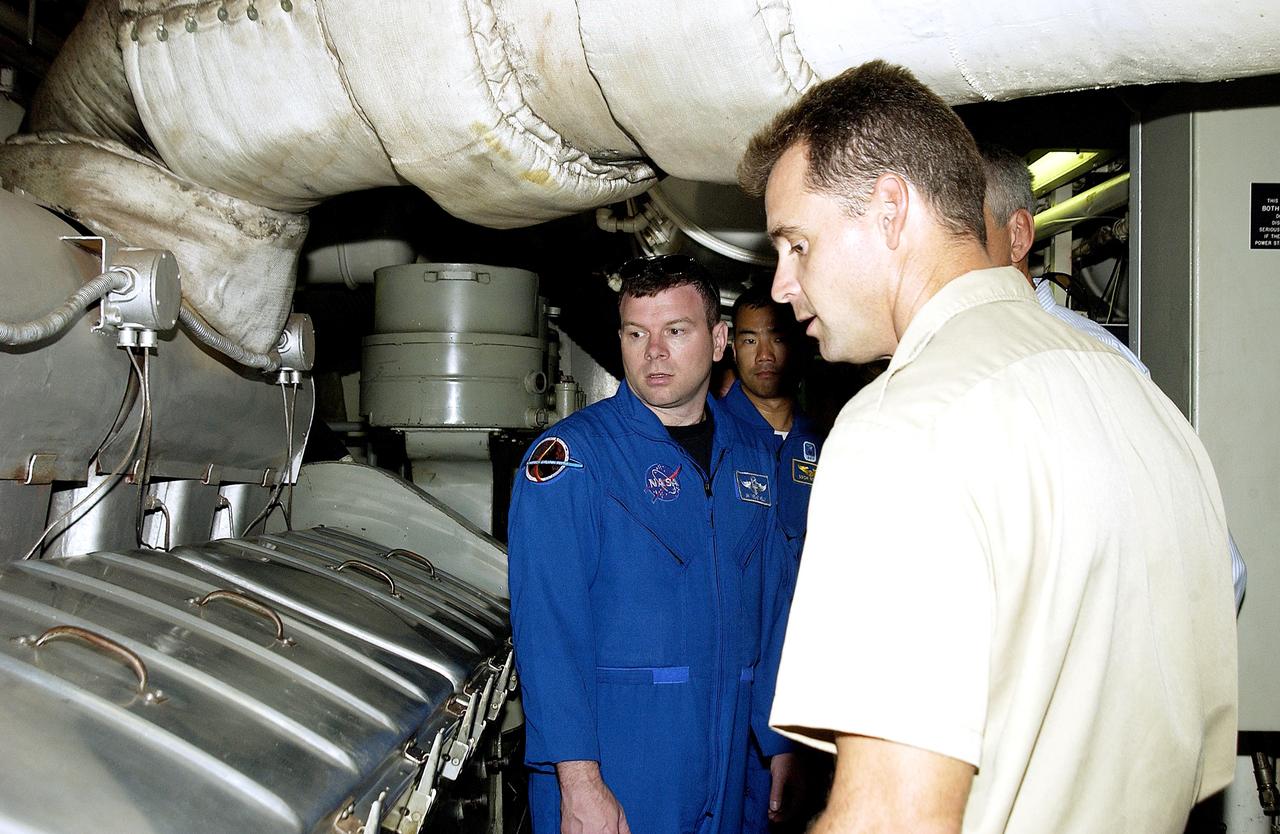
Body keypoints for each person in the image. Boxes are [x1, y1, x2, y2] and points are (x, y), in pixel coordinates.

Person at [738, 60, 1238, 834]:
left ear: (890, 210)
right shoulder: (1141, 400)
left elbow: (893, 818)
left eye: (798, 244)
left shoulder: (903, 427)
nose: (780, 285)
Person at [507, 254, 794, 834]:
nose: (654, 352)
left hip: (734, 757)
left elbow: (777, 611)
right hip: (619, 765)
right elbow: (547, 630)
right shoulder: (573, 460)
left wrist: (780, 740)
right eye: (637, 334)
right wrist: (580, 781)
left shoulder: (756, 455)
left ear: (718, 341)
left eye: (675, 332)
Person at [981, 142, 1246, 611]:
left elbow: (1220, 568)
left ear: (1018, 236)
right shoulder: (973, 369)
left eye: (961, 235)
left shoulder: (1091, 365)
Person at [720, 285, 827, 831]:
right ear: (728, 346)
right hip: (731, 682)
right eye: (749, 339)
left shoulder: (832, 441)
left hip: (810, 678)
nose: (764, 355)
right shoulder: (710, 439)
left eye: (778, 338)